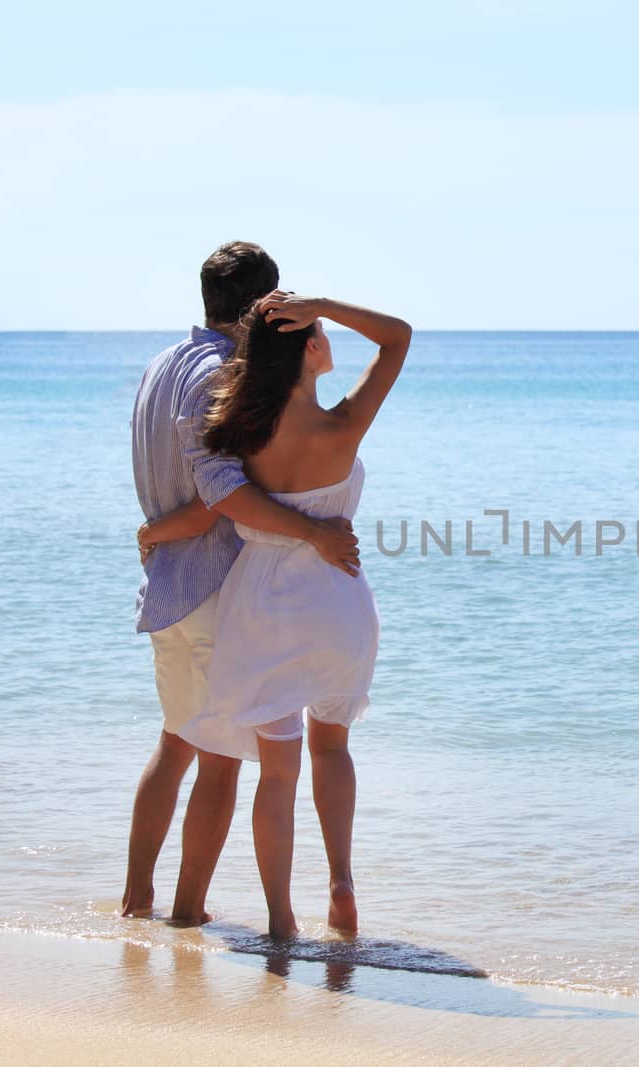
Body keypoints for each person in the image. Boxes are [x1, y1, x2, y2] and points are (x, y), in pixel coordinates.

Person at [140, 288, 411, 940]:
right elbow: (398, 336)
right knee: (334, 744)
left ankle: (281, 920)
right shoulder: (344, 425)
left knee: (277, 774)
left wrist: (153, 534)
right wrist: (325, 302)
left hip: (262, 605)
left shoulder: (242, 433)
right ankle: (342, 881)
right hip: (336, 600)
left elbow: (219, 500)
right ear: (313, 348)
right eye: (322, 332)